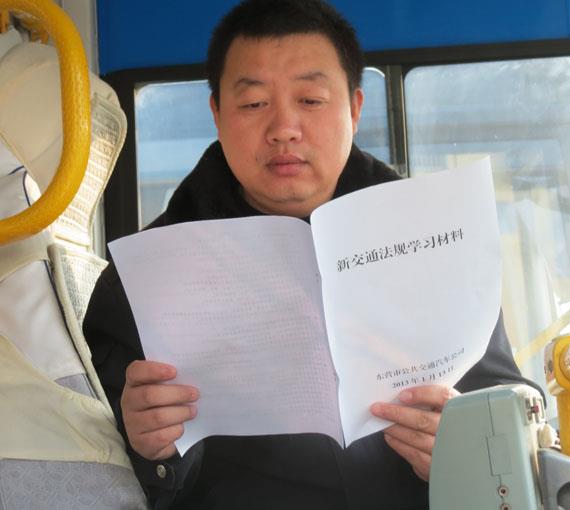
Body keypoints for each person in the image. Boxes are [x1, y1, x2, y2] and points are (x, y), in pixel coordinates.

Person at [83, 0, 538, 508]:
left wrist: (468, 446)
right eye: (254, 103)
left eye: (311, 100)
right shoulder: (141, 279)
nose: (284, 128)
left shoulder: (436, 240)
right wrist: (148, 449)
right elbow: (95, 472)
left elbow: (508, 402)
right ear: (217, 114)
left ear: (355, 109)